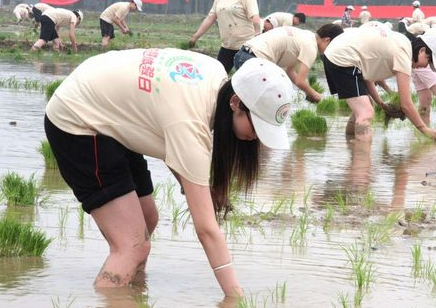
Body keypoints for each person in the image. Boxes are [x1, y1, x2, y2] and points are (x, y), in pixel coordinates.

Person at [44, 49, 295, 295]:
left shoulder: (214, 76)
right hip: (78, 118)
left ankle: (132, 296)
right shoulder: (191, 122)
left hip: (110, 106)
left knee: (148, 218)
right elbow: (207, 229)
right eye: (257, 126)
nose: (257, 139)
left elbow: (174, 142)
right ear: (236, 103)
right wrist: (235, 299)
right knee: (131, 246)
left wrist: (198, 189)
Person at [322, 26, 436, 142]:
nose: (426, 66)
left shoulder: (401, 42)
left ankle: (351, 143)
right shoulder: (404, 54)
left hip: (337, 53)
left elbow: (366, 75)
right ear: (422, 50)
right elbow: (406, 103)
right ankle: (361, 161)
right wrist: (424, 129)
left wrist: (381, 104)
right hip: (343, 57)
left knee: (362, 109)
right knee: (366, 113)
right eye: (429, 61)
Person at [234, 24, 344, 103]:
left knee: (250, 101)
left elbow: (290, 72)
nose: (331, 51)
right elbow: (300, 81)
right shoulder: (311, 47)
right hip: (254, 60)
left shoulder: (305, 36)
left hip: (242, 55)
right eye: (333, 46)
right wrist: (315, 95)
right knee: (263, 103)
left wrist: (309, 92)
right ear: (327, 40)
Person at [189, 0, 261, 73]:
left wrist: (258, 34)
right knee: (218, 75)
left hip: (245, 47)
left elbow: (255, 17)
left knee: (246, 77)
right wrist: (195, 36)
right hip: (227, 47)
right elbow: (210, 18)